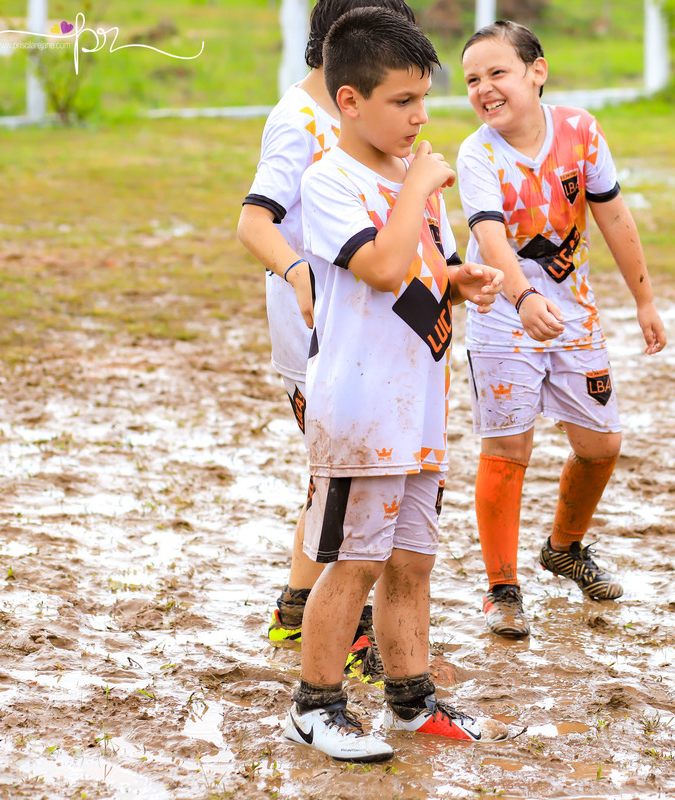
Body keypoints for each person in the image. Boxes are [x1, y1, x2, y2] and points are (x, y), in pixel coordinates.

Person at [281, 7, 508, 762]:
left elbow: (416, 270)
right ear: (350, 101)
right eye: (402, 101)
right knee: (355, 562)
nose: (420, 117)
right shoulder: (330, 180)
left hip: (419, 408)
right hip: (358, 411)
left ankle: (412, 702)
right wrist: (418, 186)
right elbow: (378, 265)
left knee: (411, 561)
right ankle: (315, 706)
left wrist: (459, 280)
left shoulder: (416, 184)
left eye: (424, 99)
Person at [457, 21, 667, 639]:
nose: (484, 89)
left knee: (602, 444)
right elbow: (489, 235)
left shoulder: (580, 131)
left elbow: (614, 216)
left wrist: (644, 300)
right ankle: (502, 590)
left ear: (537, 72)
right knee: (507, 449)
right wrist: (520, 296)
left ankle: (564, 548)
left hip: (574, 313)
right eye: (472, 79)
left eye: (497, 72)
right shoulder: (477, 154)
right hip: (502, 315)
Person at [237, 0, 417, 678]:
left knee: (334, 476)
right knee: (349, 479)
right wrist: (296, 272)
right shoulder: (298, 119)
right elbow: (254, 222)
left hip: (364, 331)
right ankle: (350, 631)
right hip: (316, 337)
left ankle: (296, 608)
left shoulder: (356, 114)